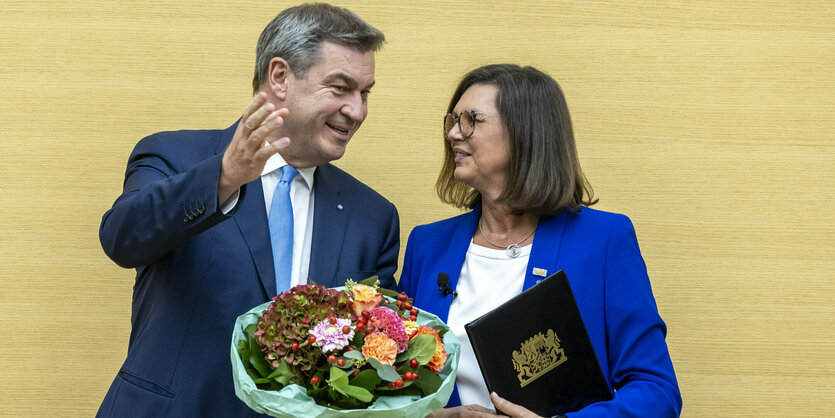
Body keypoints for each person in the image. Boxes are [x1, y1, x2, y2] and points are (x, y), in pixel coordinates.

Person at [96, 4, 399, 416]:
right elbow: (122, 239)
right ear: (280, 77)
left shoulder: (373, 217)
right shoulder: (175, 156)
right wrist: (223, 177)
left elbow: (377, 348)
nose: (357, 110)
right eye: (340, 87)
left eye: (365, 93)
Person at [398, 64, 682, 417]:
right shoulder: (427, 245)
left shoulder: (605, 240)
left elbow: (656, 392)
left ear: (525, 132)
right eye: (453, 120)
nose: (454, 133)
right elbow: (398, 388)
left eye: (472, 119)